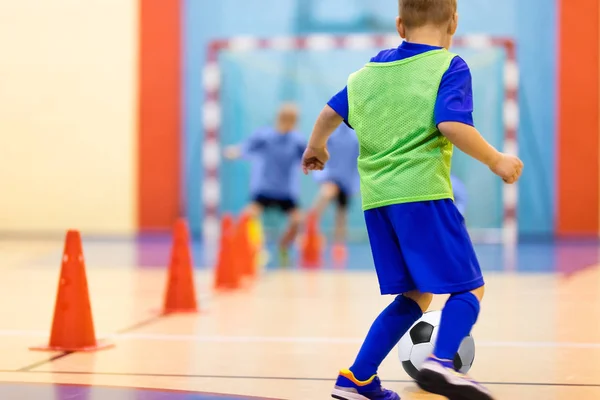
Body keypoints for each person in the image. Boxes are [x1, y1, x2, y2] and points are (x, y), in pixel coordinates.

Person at [301, 0, 523, 399]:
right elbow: (452, 124)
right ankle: (440, 363)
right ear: (454, 22)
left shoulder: (365, 75)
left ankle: (357, 378)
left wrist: (316, 148)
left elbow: (327, 115)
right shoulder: (448, 66)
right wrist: (496, 159)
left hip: (377, 204)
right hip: (423, 195)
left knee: (416, 295)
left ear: (399, 25)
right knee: (469, 289)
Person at [224, 103, 306, 265]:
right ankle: (249, 248)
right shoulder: (265, 136)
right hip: (265, 188)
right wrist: (235, 151)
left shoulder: (297, 141)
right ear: (278, 118)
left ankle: (283, 246)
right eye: (285, 118)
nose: (288, 122)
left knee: (297, 221)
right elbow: (247, 147)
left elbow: (308, 156)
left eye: (292, 119)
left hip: (286, 191)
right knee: (247, 216)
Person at [310, 123, 359, 263]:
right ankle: (310, 227)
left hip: (346, 182)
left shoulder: (355, 137)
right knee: (326, 193)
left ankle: (339, 246)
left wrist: (353, 186)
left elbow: (356, 161)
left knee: (341, 215)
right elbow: (320, 151)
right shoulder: (331, 134)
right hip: (330, 177)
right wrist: (322, 175)